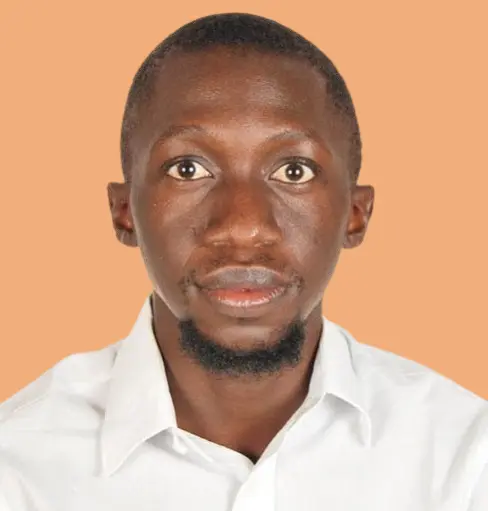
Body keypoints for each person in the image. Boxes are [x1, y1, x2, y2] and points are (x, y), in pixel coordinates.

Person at [0, 12, 486, 510]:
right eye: (187, 168)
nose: (243, 225)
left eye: (294, 170)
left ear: (355, 216)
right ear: (125, 212)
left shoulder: (463, 456)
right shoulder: (16, 467)